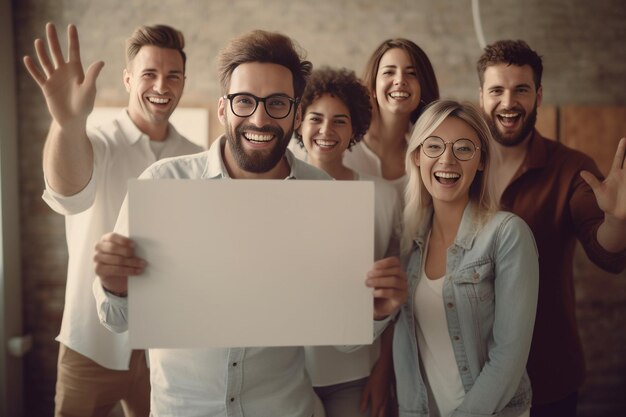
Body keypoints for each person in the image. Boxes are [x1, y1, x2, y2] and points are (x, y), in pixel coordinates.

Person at [91, 30, 409, 417]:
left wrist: (373, 312)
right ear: (224, 108)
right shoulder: (162, 184)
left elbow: (341, 339)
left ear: (294, 112)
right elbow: (117, 320)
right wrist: (114, 285)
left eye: (277, 103)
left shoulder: (322, 194)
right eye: (245, 101)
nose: (259, 118)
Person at [22, 22, 202, 416]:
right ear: (127, 79)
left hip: (165, 348)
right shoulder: (96, 143)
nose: (161, 86)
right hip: (92, 343)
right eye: (149, 74)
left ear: (183, 82)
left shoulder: (196, 158)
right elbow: (67, 193)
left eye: (173, 76)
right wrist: (67, 123)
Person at [476, 40, 626, 416]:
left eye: (521, 90)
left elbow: (605, 254)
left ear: (538, 96)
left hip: (545, 374)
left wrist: (617, 219)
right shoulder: (459, 164)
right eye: (497, 90)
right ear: (481, 97)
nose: (508, 102)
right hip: (468, 371)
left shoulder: (572, 168)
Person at [394, 100, 539, 417]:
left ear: (482, 160)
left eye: (463, 148)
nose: (447, 160)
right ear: (417, 156)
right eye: (434, 146)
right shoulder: (407, 241)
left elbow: (508, 358)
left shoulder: (507, 234)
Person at [293, 66, 401, 417]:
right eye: (316, 118)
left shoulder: (382, 196)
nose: (326, 131)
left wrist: (382, 373)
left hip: (356, 371)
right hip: (287, 372)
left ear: (355, 128)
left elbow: (393, 297)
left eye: (340, 121)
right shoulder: (276, 192)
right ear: (298, 121)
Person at [343, 38, 440, 198]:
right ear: (373, 87)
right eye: (389, 72)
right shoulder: (345, 145)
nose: (400, 80)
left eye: (411, 73)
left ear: (423, 86)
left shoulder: (432, 153)